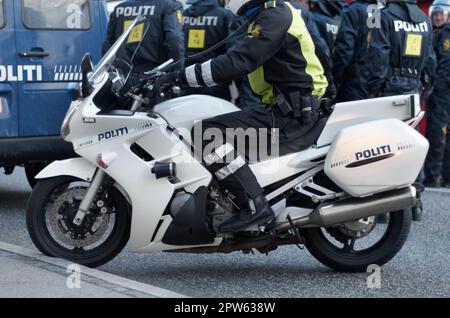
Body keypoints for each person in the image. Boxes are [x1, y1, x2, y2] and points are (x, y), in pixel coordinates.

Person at [158, 0, 328, 233]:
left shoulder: (274, 17)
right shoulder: (267, 17)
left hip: (292, 116)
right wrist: (172, 70)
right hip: (287, 109)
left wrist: (179, 78)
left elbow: (238, 63)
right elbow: (226, 57)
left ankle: (254, 206)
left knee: (206, 134)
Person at [361, 0, 435, 222]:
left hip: (389, 87)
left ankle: (384, 206)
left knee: (384, 146)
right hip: (414, 87)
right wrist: (423, 89)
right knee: (410, 143)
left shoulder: (385, 16)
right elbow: (430, 62)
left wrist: (372, 90)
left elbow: (377, 57)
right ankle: (415, 200)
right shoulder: (425, 21)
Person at [102, 0, 185, 73]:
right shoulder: (170, 6)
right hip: (155, 74)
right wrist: (178, 71)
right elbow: (175, 39)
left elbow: (109, 44)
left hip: (124, 75)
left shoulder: (119, 8)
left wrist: (109, 71)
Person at [183, 0, 236, 100]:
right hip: (214, 78)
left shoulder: (184, 15)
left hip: (186, 77)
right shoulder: (225, 15)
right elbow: (232, 48)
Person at [333, 0, 382, 102]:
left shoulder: (353, 10)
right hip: (372, 80)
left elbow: (344, 50)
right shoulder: (376, 10)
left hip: (352, 81)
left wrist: (334, 77)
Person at [424, 0, 450, 188]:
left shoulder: (446, 35)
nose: (438, 17)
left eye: (442, 13)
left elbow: (445, 65)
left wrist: (435, 87)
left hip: (442, 92)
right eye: (436, 13)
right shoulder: (436, 32)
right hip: (441, 91)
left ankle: (434, 176)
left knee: (437, 133)